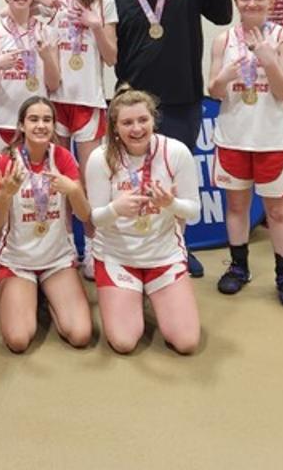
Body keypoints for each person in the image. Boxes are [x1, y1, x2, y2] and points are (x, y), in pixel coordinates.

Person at [109, 0, 233, 277]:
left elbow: (223, 14)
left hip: (182, 99)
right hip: (136, 105)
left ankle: (178, 247)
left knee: (176, 179)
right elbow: (111, 45)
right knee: (134, 178)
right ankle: (138, 247)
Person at [208, 0, 283, 308]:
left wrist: (269, 61)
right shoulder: (223, 40)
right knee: (237, 207)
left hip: (272, 139)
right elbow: (214, 91)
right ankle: (239, 267)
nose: (251, 4)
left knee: (277, 211)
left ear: (271, 3)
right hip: (233, 137)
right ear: (237, 2)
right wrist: (224, 77)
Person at [84, 88, 201, 354]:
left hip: (164, 256)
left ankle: (150, 290)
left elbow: (193, 211)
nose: (136, 129)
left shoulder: (176, 152)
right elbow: (96, 218)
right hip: (117, 256)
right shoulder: (101, 157)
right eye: (127, 122)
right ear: (115, 127)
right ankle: (133, 291)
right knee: (124, 342)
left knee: (186, 342)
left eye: (142, 120)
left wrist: (170, 204)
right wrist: (115, 209)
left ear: (153, 120)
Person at [0, 97, 93, 352]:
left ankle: (46, 294)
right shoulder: (8, 161)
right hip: (18, 261)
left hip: (57, 259)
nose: (41, 125)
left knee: (80, 335)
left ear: (54, 125)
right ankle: (31, 293)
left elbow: (84, 215)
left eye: (47, 120)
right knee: (18, 341)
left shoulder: (63, 157)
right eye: (33, 119)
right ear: (21, 125)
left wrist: (74, 191)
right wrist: (5, 195)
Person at [45, 0, 118, 279]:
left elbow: (112, 57)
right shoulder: (56, 3)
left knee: (89, 180)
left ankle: (92, 247)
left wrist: (95, 25)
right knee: (59, 179)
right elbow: (13, 5)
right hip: (56, 100)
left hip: (89, 101)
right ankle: (64, 247)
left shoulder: (104, 2)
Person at [0, 0, 60, 159]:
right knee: (3, 176)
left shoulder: (47, 32)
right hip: (1, 121)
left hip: (37, 124)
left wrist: (47, 58)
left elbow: (53, 84)